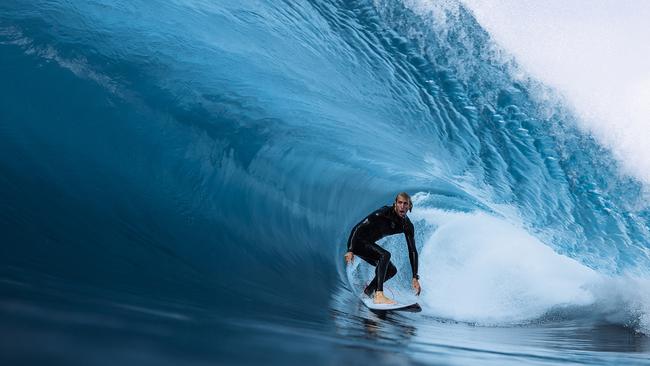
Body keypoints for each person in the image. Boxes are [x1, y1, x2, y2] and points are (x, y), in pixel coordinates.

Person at [344, 192, 421, 304]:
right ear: (395, 204)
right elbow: (358, 228)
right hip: (357, 241)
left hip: (367, 244)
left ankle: (368, 292)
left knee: (391, 270)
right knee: (385, 255)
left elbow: (412, 251)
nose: (402, 206)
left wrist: (415, 277)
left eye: (405, 204)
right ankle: (379, 295)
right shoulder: (383, 213)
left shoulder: (407, 225)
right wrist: (350, 250)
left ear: (410, 206)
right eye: (400, 203)